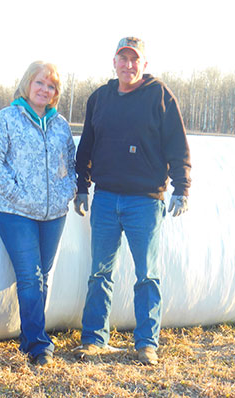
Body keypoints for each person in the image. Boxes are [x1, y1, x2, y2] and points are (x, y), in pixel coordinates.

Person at [73, 37, 191, 365]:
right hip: (106, 199)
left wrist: (182, 187)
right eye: (122, 59)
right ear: (114, 62)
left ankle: (146, 344)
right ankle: (95, 339)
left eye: (134, 60)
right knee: (100, 272)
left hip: (145, 200)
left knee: (147, 274)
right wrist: (82, 185)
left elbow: (177, 145)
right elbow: (87, 146)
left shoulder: (159, 96)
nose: (128, 65)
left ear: (144, 64)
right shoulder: (100, 98)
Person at [0, 61, 76, 366]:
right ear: (27, 84)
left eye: (51, 86)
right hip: (14, 212)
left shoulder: (60, 124)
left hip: (53, 214)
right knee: (31, 276)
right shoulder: (7, 118)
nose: (45, 90)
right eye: (40, 83)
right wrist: (20, 195)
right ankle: (38, 344)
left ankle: (30, 337)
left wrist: (65, 194)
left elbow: (71, 166)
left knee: (42, 277)